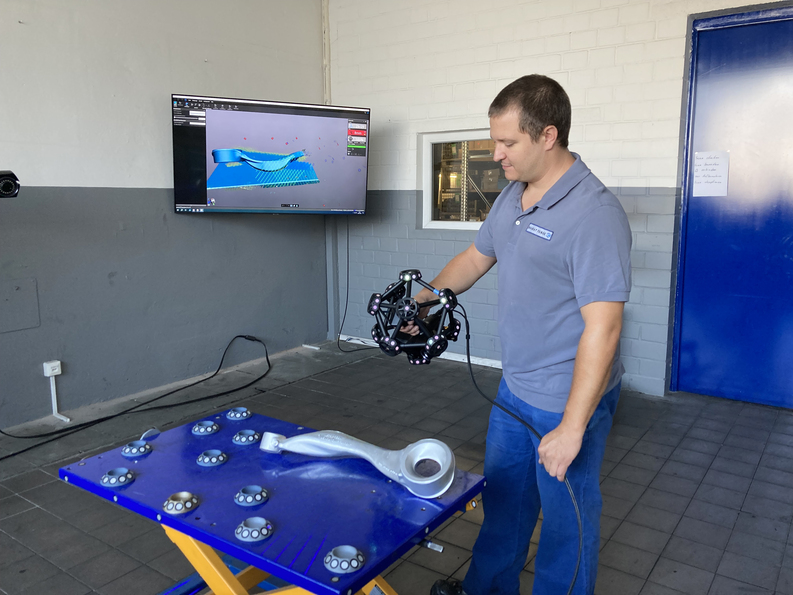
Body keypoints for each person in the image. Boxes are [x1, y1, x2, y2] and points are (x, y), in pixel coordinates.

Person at [406, 75, 632, 595]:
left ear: (548, 136)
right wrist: (420, 298)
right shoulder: (512, 196)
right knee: (505, 503)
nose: (496, 154)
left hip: (565, 399)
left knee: (566, 526)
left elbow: (606, 325)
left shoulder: (594, 214)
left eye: (508, 143)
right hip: (515, 390)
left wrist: (572, 428)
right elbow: (473, 258)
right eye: (494, 141)